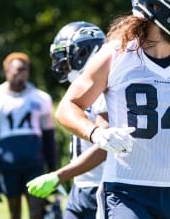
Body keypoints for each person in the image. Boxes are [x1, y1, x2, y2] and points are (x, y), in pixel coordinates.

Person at [55, 0, 170, 218]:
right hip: (127, 190)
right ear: (154, 5)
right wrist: (96, 134)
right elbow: (68, 107)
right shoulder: (115, 55)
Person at [27, 21, 108, 219]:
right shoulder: (84, 88)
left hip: (102, 188)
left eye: (64, 54)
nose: (60, 62)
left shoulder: (104, 88)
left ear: (83, 52)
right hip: (81, 187)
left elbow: (105, 145)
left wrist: (59, 176)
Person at [0, 52, 58, 219]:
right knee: (14, 213)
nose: (21, 74)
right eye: (17, 70)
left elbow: (49, 138)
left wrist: (53, 170)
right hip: (9, 165)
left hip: (34, 164)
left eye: (25, 70)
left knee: (37, 212)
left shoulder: (41, 98)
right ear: (7, 71)